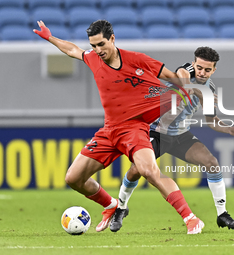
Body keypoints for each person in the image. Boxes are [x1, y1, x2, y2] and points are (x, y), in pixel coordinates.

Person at [33, 20, 205, 234]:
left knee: (149, 170)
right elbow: (73, 50)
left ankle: (190, 218)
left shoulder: (138, 60)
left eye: (101, 44)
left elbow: (173, 79)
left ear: (112, 39)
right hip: (109, 130)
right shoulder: (93, 59)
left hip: (134, 128)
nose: (97, 50)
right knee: (73, 178)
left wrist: (185, 79)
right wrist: (50, 38)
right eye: (94, 45)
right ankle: (111, 205)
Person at [110, 47, 234, 232]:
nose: (202, 72)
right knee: (136, 170)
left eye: (207, 70)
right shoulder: (186, 72)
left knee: (212, 163)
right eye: (199, 67)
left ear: (214, 70)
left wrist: (229, 129)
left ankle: (222, 214)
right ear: (193, 64)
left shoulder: (211, 88)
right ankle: (121, 207)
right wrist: (194, 89)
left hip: (180, 135)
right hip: (156, 131)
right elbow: (182, 76)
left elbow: (211, 121)